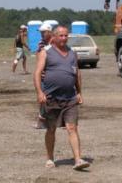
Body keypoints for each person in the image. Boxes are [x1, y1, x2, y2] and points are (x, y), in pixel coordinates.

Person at [33, 25, 90, 170]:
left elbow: (77, 74)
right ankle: (50, 158)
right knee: (51, 129)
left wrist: (79, 93)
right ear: (55, 37)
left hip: (70, 98)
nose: (64, 38)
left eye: (66, 36)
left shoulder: (72, 54)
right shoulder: (46, 53)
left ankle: (78, 160)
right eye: (61, 36)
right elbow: (37, 73)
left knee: (72, 128)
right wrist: (40, 92)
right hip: (51, 98)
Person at [35, 22, 54, 129]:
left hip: (54, 75)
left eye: (43, 32)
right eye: (41, 32)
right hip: (44, 76)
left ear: (49, 32)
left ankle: (62, 120)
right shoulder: (41, 43)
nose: (42, 34)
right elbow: (39, 55)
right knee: (42, 98)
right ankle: (41, 121)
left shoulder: (55, 41)